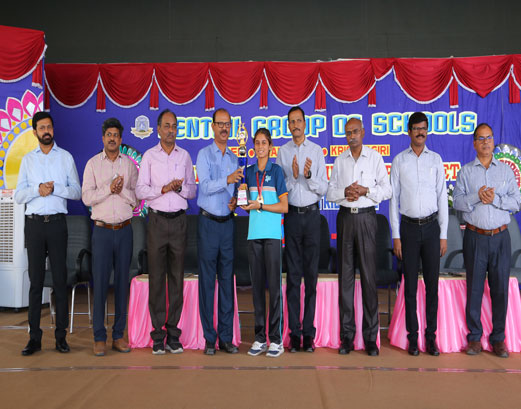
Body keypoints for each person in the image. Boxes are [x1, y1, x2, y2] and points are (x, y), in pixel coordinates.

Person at [15, 111, 81, 355]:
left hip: (56, 225)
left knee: (60, 281)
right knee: (36, 282)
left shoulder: (65, 157)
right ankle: (34, 338)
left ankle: (61, 337)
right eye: (42, 128)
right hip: (34, 226)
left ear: (53, 130)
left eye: (49, 127)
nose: (46, 131)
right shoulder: (27, 160)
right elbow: (18, 195)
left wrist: (55, 188)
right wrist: (37, 189)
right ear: (35, 132)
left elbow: (77, 192)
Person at [454, 123, 521, 358]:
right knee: (474, 289)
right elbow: (457, 202)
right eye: (481, 138)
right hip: (475, 237)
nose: (485, 142)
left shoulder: (505, 171)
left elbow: (516, 202)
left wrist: (495, 199)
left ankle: (498, 339)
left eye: (489, 138)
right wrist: (477, 196)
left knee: (500, 289)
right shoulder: (465, 172)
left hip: (501, 237)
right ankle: (474, 338)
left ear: (493, 141)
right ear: (474, 143)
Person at [326, 117, 391, 356]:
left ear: (363, 132)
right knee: (345, 279)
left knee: (368, 278)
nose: (351, 136)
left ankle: (371, 338)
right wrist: (344, 192)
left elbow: (387, 189)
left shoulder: (374, 158)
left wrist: (366, 191)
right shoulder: (339, 160)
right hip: (345, 219)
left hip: (366, 218)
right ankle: (347, 337)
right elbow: (330, 192)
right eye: (348, 133)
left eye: (355, 131)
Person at [136, 109, 196, 355]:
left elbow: (192, 191)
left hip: (179, 221)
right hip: (157, 222)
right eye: (167, 126)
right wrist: (163, 189)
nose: (171, 131)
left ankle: (173, 334)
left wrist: (179, 189)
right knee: (157, 278)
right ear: (158, 129)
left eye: (174, 126)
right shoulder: (149, 156)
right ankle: (158, 335)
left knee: (176, 279)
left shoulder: (185, 156)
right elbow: (140, 190)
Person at [389, 112, 449, 357]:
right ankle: (413, 338)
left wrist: (443, 234)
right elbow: (393, 200)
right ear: (409, 131)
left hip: (432, 228)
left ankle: (431, 338)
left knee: (432, 287)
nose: (420, 132)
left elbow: (442, 197)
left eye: (423, 128)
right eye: (416, 128)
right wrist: (396, 235)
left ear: (427, 130)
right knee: (411, 287)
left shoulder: (436, 160)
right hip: (409, 229)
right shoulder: (399, 161)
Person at [82, 117, 138, 356]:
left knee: (123, 284)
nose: (112, 139)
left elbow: (136, 199)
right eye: (109, 135)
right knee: (101, 284)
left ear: (121, 139)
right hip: (102, 231)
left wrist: (120, 190)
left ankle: (118, 335)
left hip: (124, 230)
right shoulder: (93, 164)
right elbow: (86, 197)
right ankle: (99, 337)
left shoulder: (129, 166)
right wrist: (109, 189)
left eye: (116, 135)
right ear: (103, 138)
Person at [275, 106, 328, 353]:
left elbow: (323, 188)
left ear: (305, 124)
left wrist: (307, 176)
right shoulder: (283, 152)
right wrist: (292, 177)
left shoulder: (316, 151)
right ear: (288, 126)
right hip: (292, 218)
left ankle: (309, 333)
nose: (295, 125)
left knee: (311, 278)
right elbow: (279, 188)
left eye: (299, 121)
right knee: (294, 278)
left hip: (313, 217)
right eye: (292, 121)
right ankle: (294, 334)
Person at [196, 108, 242, 355]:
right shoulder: (204, 154)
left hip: (228, 224)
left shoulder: (235, 158)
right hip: (208, 225)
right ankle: (208, 338)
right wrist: (227, 179)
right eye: (220, 124)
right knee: (207, 283)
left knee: (226, 282)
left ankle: (225, 337)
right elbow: (204, 187)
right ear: (213, 127)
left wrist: (235, 201)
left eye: (228, 124)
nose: (224, 128)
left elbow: (234, 190)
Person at [241, 128, 288, 357]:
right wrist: (241, 200)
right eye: (257, 143)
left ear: (270, 147)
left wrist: (260, 205)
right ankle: (260, 338)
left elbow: (284, 207)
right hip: (254, 235)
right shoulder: (248, 172)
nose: (260, 147)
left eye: (264, 143)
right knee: (257, 289)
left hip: (272, 236)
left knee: (274, 289)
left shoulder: (276, 171)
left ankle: (276, 340)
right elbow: (246, 204)